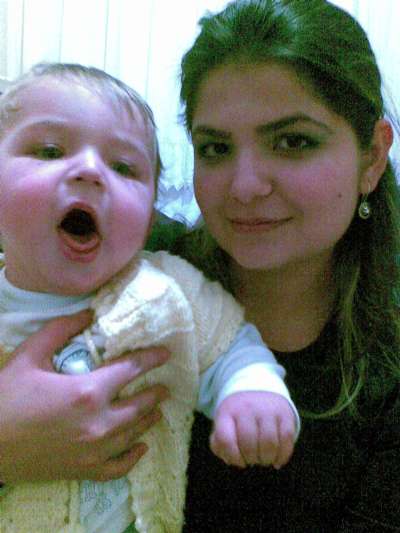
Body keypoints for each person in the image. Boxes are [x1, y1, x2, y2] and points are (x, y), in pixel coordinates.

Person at [0, 62, 298, 533]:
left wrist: (252, 392)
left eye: (124, 168)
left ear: (150, 210)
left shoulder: (166, 291)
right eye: (50, 150)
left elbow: (229, 346)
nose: (90, 171)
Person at [148, 0, 399, 531]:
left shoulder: (389, 364)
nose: (243, 187)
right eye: (215, 148)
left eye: (292, 142)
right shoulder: (142, 278)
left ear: (372, 158)